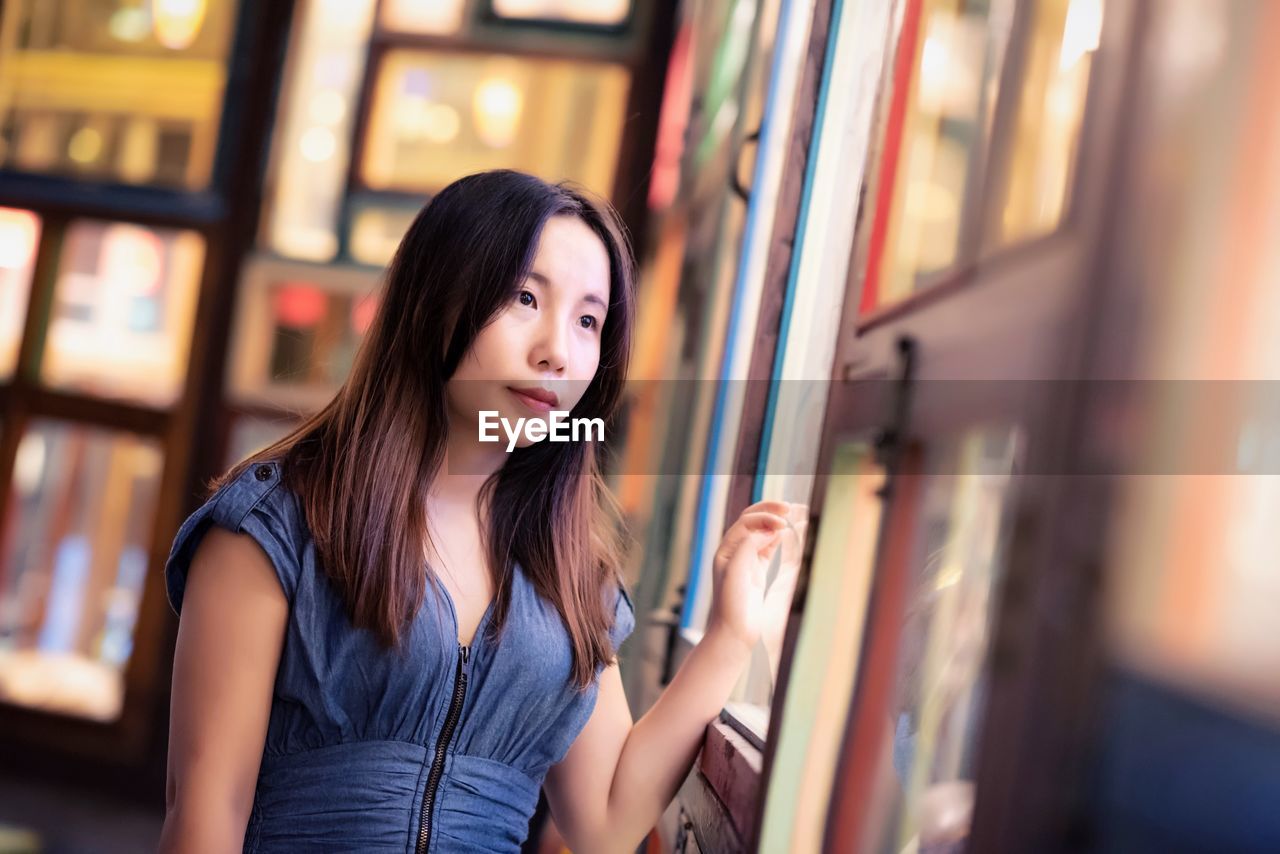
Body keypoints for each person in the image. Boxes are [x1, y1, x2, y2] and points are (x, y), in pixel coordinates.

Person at [158, 169, 805, 853]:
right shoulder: (275, 526)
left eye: (589, 320)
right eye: (525, 297)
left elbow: (608, 820)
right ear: (438, 298)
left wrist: (732, 634)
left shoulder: (569, 573)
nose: (558, 350)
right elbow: (205, 813)